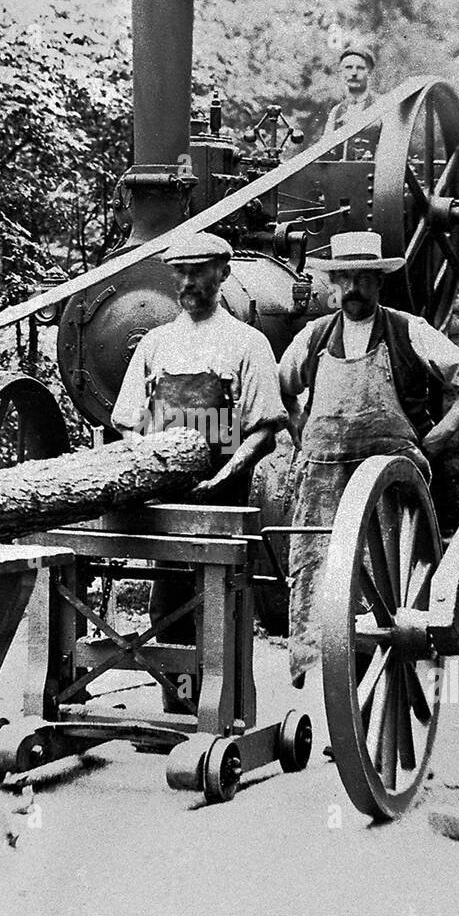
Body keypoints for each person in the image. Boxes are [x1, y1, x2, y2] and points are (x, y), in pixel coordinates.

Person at [280, 231, 459, 686]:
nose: (353, 289)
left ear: (380, 282)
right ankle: (339, 692)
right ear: (333, 283)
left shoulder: (408, 330)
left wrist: (444, 431)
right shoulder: (313, 337)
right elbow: (284, 387)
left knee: (385, 593)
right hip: (324, 487)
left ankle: (375, 691)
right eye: (345, 279)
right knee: (321, 587)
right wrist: (299, 424)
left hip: (388, 484)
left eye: (363, 279)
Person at [111, 233, 286, 701]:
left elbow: (264, 429)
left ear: (223, 274)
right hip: (164, 498)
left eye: (199, 272)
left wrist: (225, 477)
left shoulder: (248, 344)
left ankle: (221, 707)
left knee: (218, 606)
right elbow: (128, 422)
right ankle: (179, 701)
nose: (188, 282)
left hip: (222, 500)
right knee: (165, 607)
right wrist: (149, 462)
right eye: (181, 273)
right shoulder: (155, 343)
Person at [321, 44, 378, 161]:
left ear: (370, 73)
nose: (354, 73)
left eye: (360, 68)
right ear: (341, 72)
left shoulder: (382, 105)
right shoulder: (336, 111)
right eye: (348, 67)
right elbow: (325, 150)